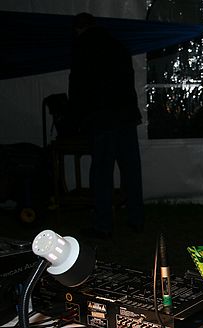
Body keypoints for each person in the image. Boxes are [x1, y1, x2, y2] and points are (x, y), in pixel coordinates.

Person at [69, 12, 144, 237]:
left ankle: (103, 225)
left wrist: (76, 120)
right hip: (126, 117)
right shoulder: (118, 45)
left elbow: (78, 88)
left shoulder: (83, 47)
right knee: (131, 171)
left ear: (78, 29)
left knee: (102, 173)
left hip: (102, 119)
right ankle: (136, 219)